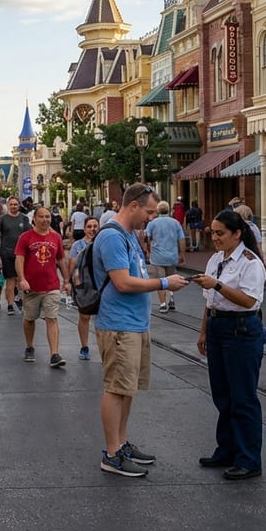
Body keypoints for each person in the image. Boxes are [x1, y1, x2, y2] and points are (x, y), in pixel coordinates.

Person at [92, 183, 188, 477]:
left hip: (133, 323)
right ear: (132, 205)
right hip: (118, 325)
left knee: (127, 388)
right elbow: (122, 282)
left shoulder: (130, 236)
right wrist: (164, 283)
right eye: (148, 212)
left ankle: (120, 443)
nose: (150, 218)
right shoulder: (111, 237)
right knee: (116, 388)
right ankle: (111, 454)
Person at [191, 209, 266, 481]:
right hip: (217, 325)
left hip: (241, 328)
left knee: (243, 396)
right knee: (222, 394)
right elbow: (209, 300)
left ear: (237, 234)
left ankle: (249, 459)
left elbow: (249, 300)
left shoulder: (250, 262)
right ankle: (227, 449)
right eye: (212, 232)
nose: (215, 237)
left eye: (220, 233)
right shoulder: (215, 259)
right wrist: (203, 331)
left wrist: (218, 285)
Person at [15, 206, 70, 367]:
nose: (45, 220)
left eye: (48, 217)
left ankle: (54, 354)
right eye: (42, 217)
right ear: (34, 219)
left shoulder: (56, 238)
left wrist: (66, 280)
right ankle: (30, 346)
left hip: (51, 285)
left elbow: (60, 259)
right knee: (30, 319)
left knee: (51, 318)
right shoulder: (26, 238)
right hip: (31, 287)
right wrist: (22, 279)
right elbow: (19, 259)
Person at [145, 200, 186, 314]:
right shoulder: (175, 223)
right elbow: (181, 239)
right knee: (171, 277)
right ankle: (171, 298)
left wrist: (147, 249)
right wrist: (182, 254)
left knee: (161, 280)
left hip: (158, 256)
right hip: (172, 256)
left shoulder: (152, 223)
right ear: (168, 210)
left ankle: (163, 303)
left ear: (157, 210)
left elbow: (146, 237)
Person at [0, 197, 31, 314]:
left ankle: (21, 302)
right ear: (8, 205)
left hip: (21, 254)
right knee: (10, 280)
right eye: (11, 204)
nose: (14, 206)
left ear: (19, 205)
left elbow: (30, 234)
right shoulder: (2, 220)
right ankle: (10, 305)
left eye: (16, 204)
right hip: (7, 253)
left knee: (21, 279)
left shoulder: (24, 219)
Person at [69, 217, 100, 360]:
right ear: (84, 229)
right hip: (85, 286)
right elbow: (73, 267)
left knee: (102, 317)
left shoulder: (102, 243)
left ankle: (103, 346)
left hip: (100, 285)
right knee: (84, 316)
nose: (92, 229)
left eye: (95, 226)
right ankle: (84, 346)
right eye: (89, 226)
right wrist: (75, 285)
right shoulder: (77, 245)